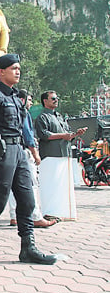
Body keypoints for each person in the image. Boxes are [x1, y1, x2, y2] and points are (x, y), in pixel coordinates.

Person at [0, 54, 57, 265]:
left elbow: (24, 128)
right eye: (13, 68)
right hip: (2, 152)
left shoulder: (17, 97)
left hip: (19, 151)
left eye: (18, 68)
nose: (17, 71)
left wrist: (32, 151)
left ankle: (28, 248)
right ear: (1, 71)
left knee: (27, 200)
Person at [35, 91, 87, 221]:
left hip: (64, 154)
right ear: (45, 101)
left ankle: (63, 212)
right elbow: (44, 135)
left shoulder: (59, 116)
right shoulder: (42, 117)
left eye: (57, 98)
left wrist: (75, 134)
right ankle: (50, 212)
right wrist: (63, 136)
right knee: (51, 185)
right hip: (50, 155)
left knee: (63, 185)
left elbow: (67, 133)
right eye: (53, 98)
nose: (56, 100)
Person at [8, 90, 55, 228]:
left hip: (11, 151)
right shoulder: (24, 113)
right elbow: (27, 135)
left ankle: (14, 216)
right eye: (29, 100)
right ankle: (35, 216)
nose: (31, 103)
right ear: (22, 100)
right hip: (24, 152)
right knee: (31, 184)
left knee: (13, 185)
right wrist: (35, 153)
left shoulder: (10, 111)